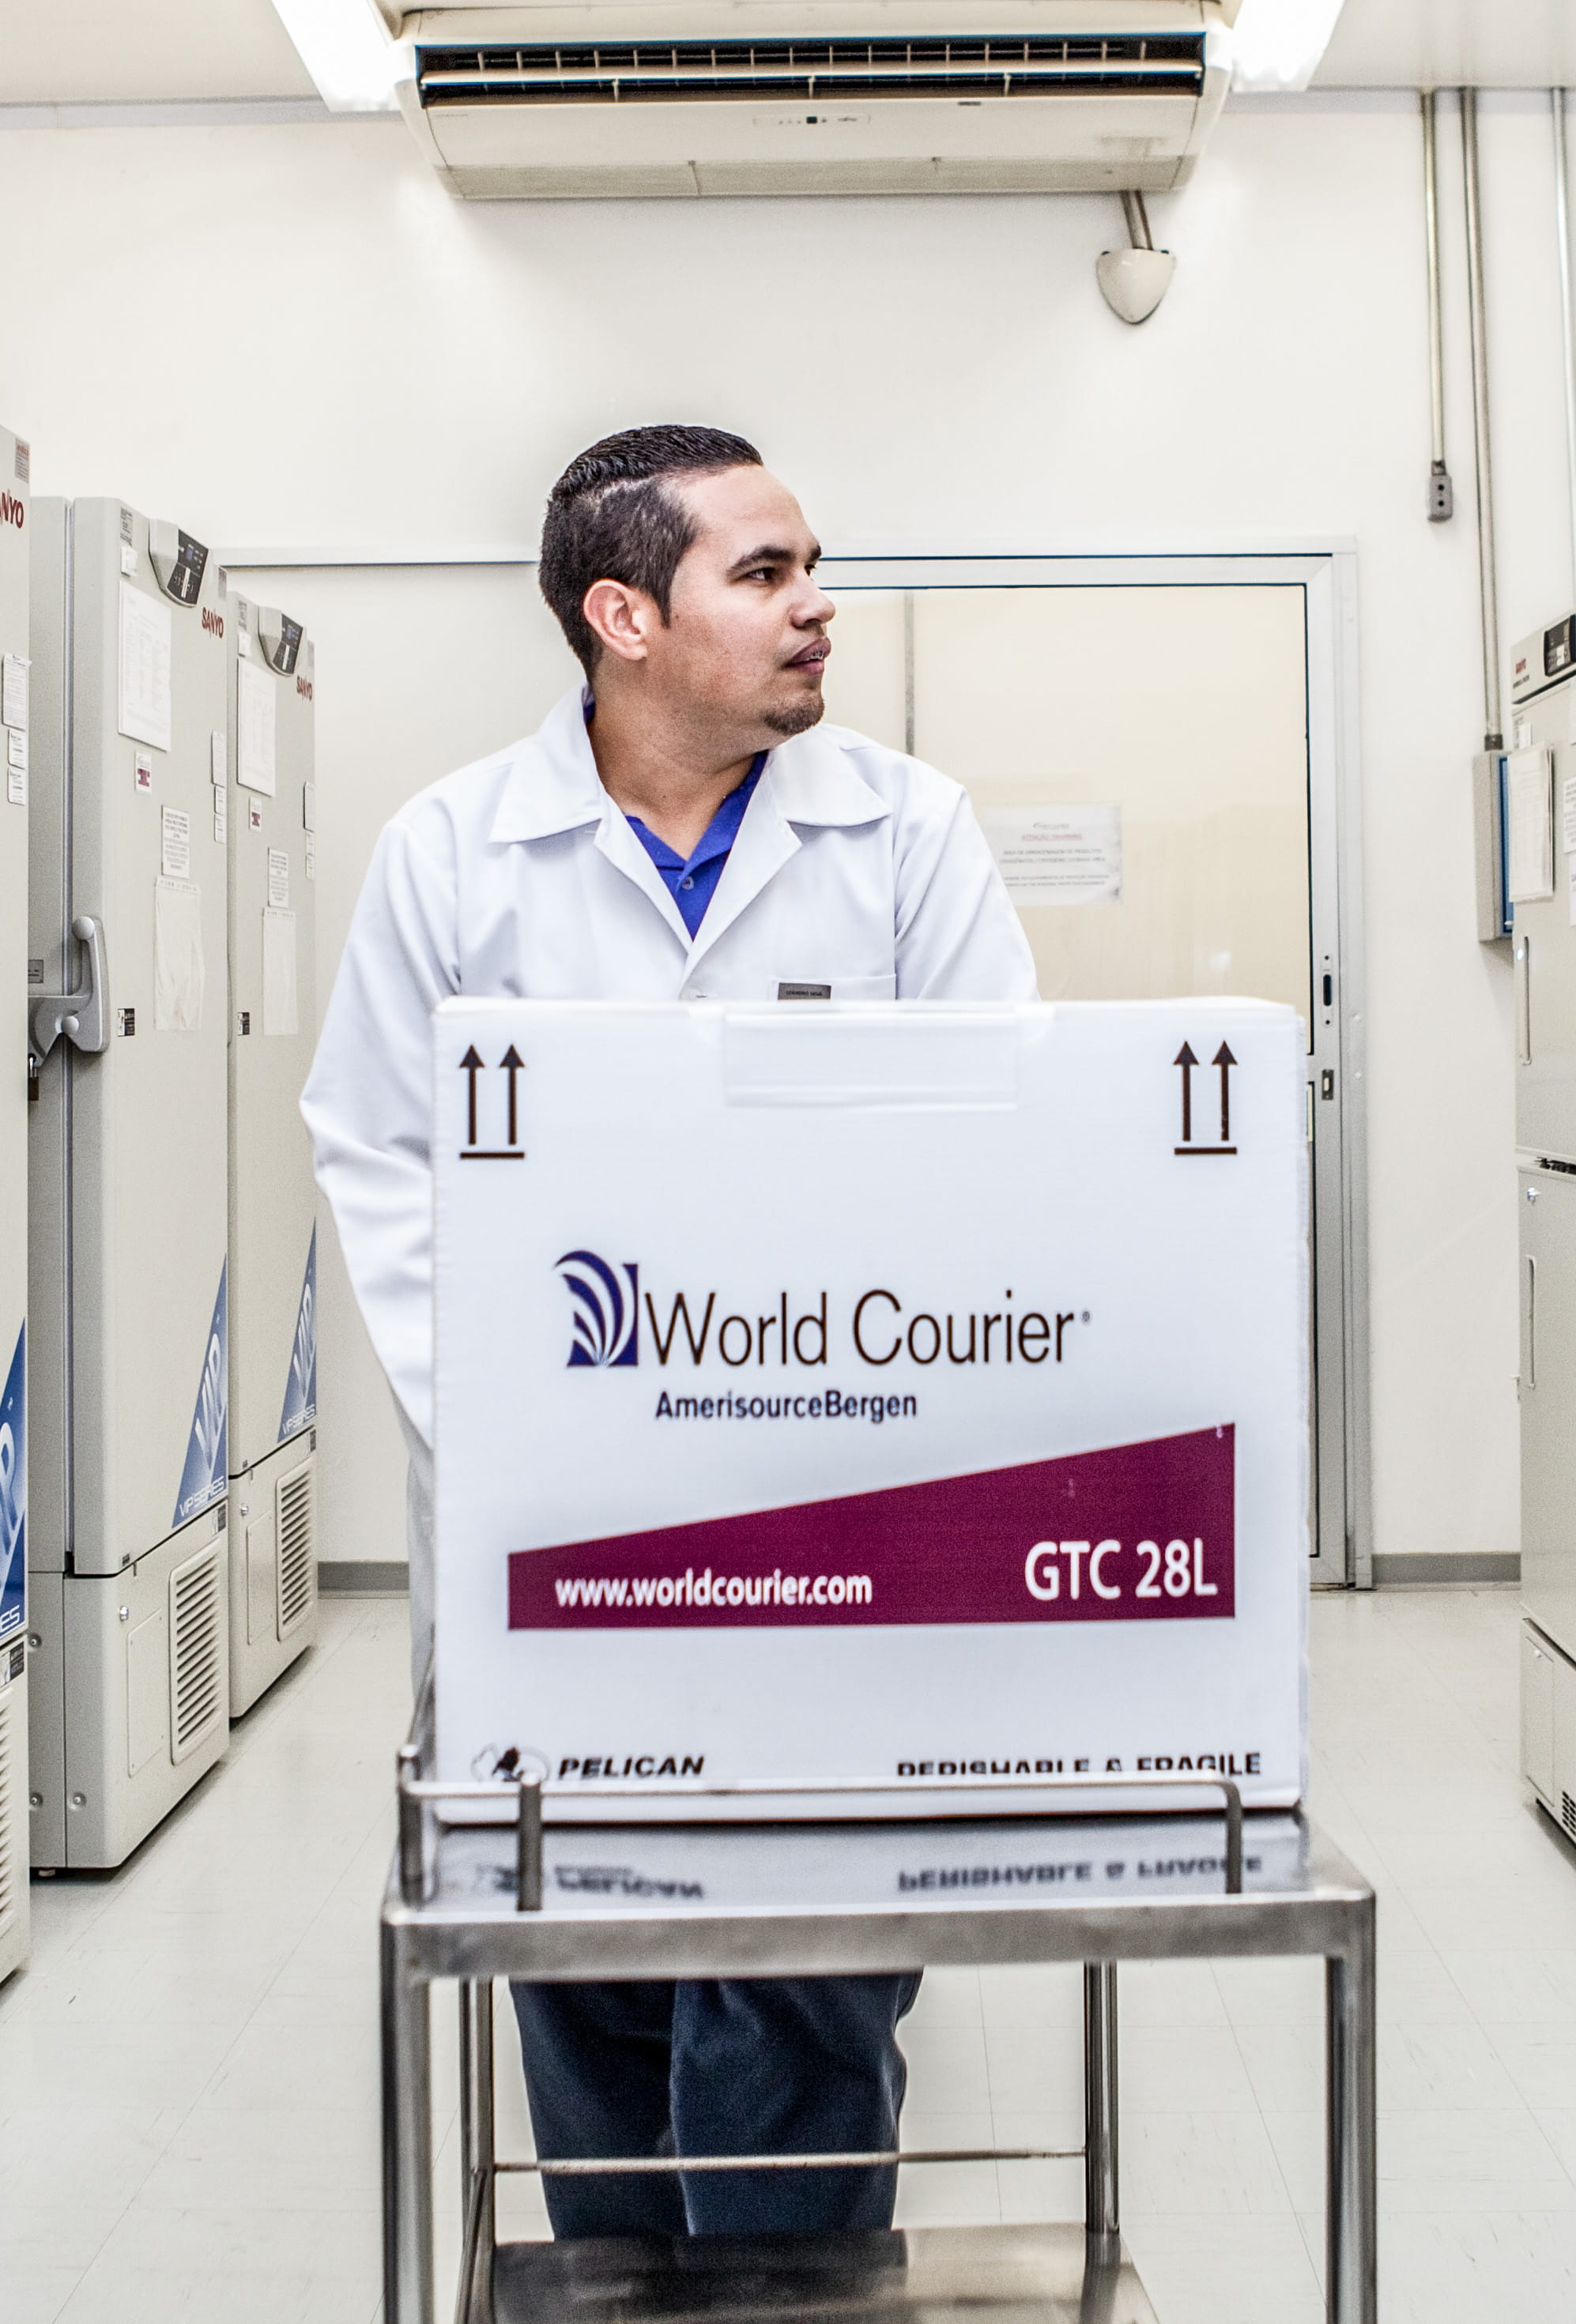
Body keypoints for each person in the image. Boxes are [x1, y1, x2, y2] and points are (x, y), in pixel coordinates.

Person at [301, 423, 1035, 2240]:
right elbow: (378, 1152)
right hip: (552, 1533)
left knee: (804, 1973)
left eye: (809, 567)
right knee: (593, 1954)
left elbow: (1003, 1136)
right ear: (624, 612)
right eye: (765, 573)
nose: (816, 607)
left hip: (831, 1519)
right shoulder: (457, 852)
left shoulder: (902, 835)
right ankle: (623, 2276)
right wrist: (528, 1434)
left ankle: (790, 2284)